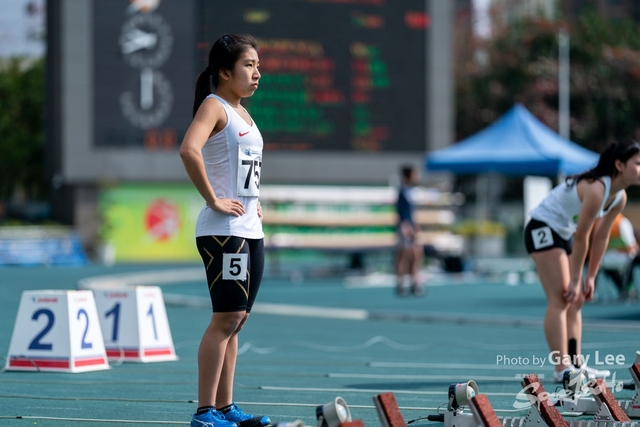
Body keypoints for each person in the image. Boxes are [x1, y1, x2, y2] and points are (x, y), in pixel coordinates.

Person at [179, 33, 271, 427]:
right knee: (225, 318)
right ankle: (205, 412)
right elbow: (188, 149)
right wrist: (215, 199)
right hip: (223, 229)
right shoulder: (215, 106)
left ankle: (226, 407)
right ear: (224, 72)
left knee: (239, 319)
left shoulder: (243, 112)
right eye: (248, 66)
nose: (257, 74)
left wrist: (253, 199)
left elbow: (242, 167)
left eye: (257, 66)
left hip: (250, 228)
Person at [524, 140, 640, 383]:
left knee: (575, 299)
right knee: (561, 299)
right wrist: (577, 279)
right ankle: (561, 369)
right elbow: (582, 236)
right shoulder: (597, 189)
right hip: (542, 228)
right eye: (638, 163)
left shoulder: (619, 197)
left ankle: (576, 364)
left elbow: (602, 237)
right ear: (619, 165)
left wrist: (590, 277)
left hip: (564, 233)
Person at [395, 164, 424, 296]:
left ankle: (415, 283)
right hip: (405, 228)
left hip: (411, 226)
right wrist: (406, 226)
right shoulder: (402, 192)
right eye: (414, 173)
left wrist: (415, 226)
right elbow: (402, 213)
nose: (417, 176)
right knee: (404, 256)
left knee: (416, 255)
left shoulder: (411, 191)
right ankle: (401, 284)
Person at [597, 213, 640, 299]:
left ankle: (624, 290)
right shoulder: (622, 222)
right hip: (622, 257)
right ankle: (627, 289)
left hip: (605, 259)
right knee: (632, 259)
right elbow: (631, 246)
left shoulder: (600, 222)